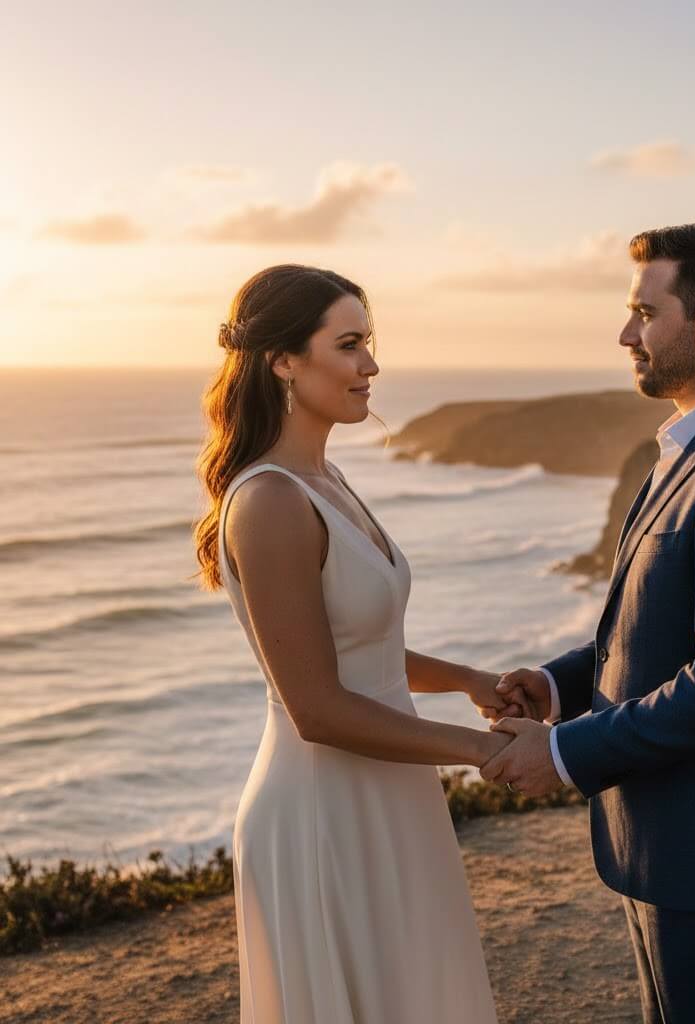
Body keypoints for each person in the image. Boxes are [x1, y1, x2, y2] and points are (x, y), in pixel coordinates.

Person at [482, 223, 695, 1024]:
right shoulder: (688, 449)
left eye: (646, 312)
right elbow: (648, 624)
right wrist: (557, 685)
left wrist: (565, 753)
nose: (625, 333)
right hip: (668, 843)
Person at [193, 264, 521, 1023]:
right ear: (282, 359)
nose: (371, 365)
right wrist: (480, 750)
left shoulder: (325, 477)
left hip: (389, 785)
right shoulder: (271, 499)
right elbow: (317, 706)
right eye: (348, 345)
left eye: (369, 343)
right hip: (324, 805)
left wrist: (470, 679)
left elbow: (351, 647)